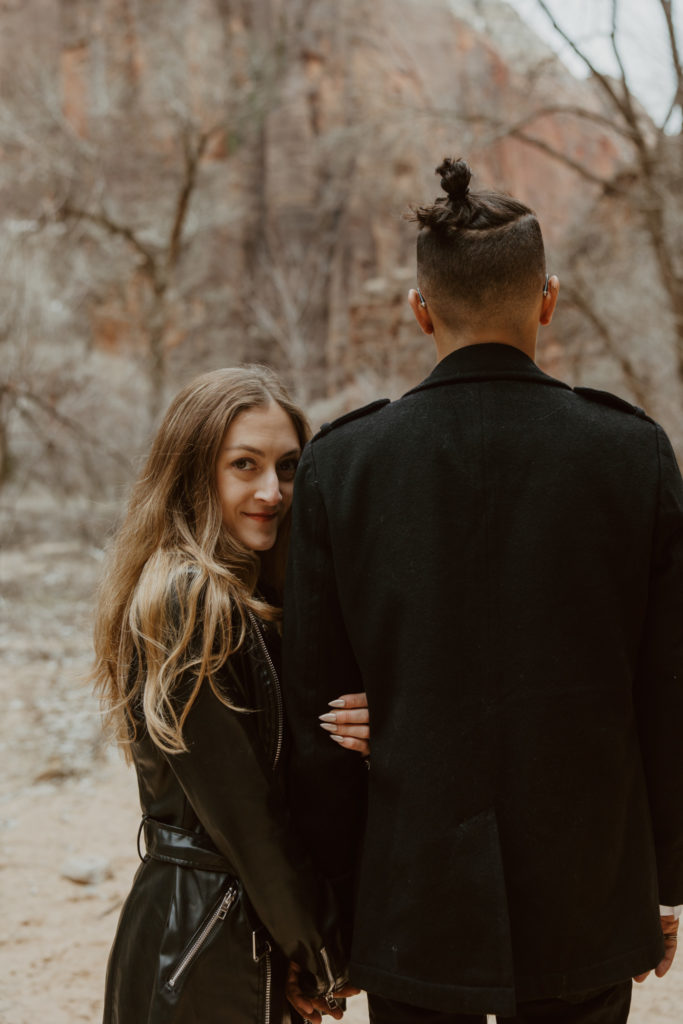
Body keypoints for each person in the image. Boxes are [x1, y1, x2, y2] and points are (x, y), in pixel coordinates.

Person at [283, 158, 683, 1023]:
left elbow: (318, 722)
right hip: (588, 890)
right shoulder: (632, 455)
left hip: (409, 898)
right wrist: (660, 883)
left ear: (418, 309)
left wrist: (334, 905)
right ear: (547, 298)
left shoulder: (340, 466)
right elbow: (668, 690)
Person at [92, 365, 367, 1024]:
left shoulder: (252, 599)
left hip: (232, 926)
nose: (272, 491)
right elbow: (247, 821)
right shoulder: (188, 602)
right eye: (244, 465)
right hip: (206, 940)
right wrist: (323, 953)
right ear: (191, 473)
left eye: (289, 467)